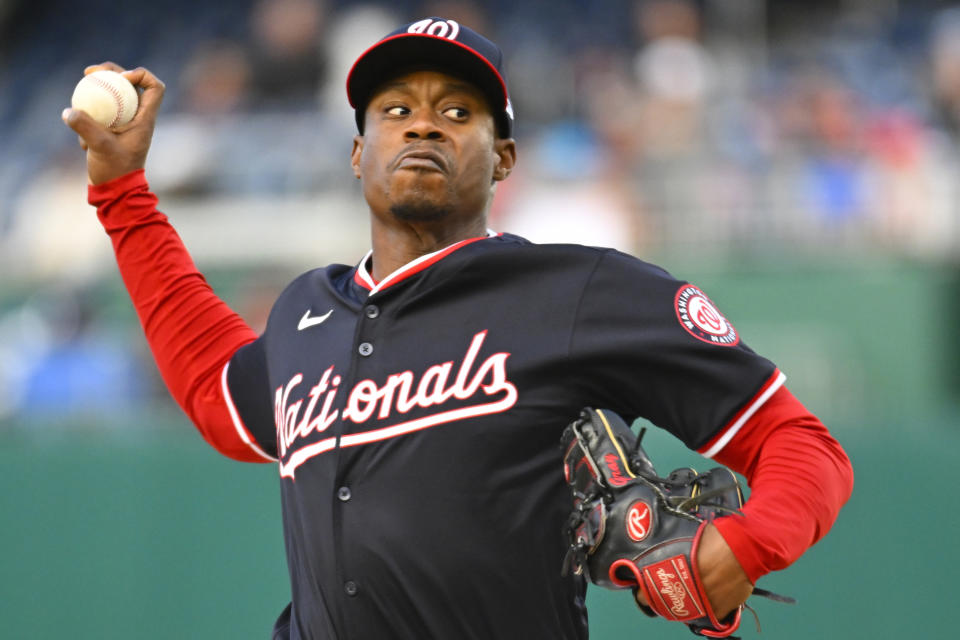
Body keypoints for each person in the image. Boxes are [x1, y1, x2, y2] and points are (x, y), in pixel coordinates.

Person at [61, 17, 853, 640]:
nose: (424, 126)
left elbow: (800, 444)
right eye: (396, 110)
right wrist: (123, 193)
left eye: (458, 112)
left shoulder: (579, 290)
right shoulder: (310, 312)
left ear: (503, 157)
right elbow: (215, 391)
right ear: (357, 153)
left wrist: (747, 546)